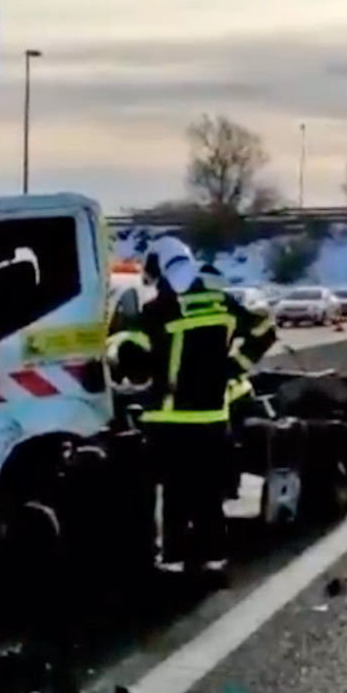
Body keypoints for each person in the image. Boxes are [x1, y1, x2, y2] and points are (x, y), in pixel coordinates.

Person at [109, 237, 274, 573]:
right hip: (214, 417)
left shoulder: (157, 312)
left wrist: (123, 354)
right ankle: (213, 557)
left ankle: (174, 558)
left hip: (169, 420)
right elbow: (265, 329)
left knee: (174, 493)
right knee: (208, 491)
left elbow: (134, 361)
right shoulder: (221, 303)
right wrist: (235, 367)